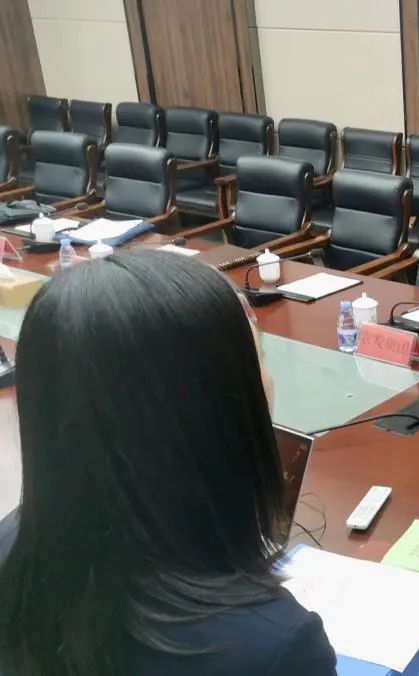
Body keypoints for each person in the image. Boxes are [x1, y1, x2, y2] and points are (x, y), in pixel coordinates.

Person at [0, 252, 336, 675]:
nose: (267, 379)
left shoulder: (12, 546)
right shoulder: (274, 647)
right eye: (259, 360)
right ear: (212, 409)